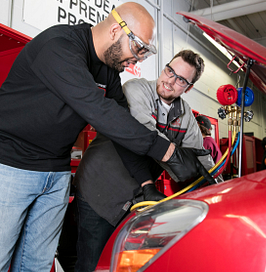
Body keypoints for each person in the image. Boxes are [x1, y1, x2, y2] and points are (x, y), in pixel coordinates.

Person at [0, 3, 210, 272]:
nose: (138, 59)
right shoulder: (59, 46)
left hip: (54, 171)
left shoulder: (109, 73)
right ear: (117, 30)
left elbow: (120, 130)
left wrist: (146, 183)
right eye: (138, 48)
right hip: (6, 164)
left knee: (36, 265)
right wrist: (167, 152)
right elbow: (98, 109)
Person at [73, 50, 215, 272]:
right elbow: (144, 135)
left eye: (180, 80)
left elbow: (201, 157)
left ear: (188, 88)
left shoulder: (185, 115)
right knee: (92, 264)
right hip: (99, 189)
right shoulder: (135, 89)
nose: (170, 81)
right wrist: (179, 158)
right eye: (170, 71)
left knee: (122, 264)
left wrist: (218, 190)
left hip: (137, 198)